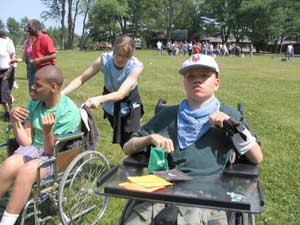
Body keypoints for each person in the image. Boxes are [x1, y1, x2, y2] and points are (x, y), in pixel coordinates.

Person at [123, 54, 263, 225]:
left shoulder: (228, 114)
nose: (197, 80)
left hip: (206, 194)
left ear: (216, 83)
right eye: (191, 76)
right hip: (165, 188)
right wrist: (150, 138)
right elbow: (128, 147)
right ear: (184, 82)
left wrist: (232, 128)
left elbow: (257, 157)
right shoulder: (167, 115)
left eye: (204, 76)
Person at [0, 65, 81, 225]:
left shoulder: (69, 112)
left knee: (28, 171)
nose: (32, 87)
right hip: (33, 148)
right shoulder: (36, 103)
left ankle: (7, 222)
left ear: (53, 87)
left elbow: (51, 152)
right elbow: (26, 141)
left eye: (38, 84)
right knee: (10, 163)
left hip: (55, 155)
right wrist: (15, 120)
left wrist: (47, 131)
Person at [62, 35, 144, 147]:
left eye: (125, 56)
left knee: (133, 141)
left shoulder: (135, 67)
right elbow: (81, 79)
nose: (120, 59)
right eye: (118, 54)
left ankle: (143, 160)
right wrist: (61, 94)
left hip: (130, 106)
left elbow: (121, 93)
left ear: (131, 55)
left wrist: (98, 99)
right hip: (111, 105)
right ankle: (132, 161)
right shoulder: (105, 59)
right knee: (124, 142)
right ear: (114, 50)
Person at [0, 29, 16, 121]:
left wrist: (9, 70)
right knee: (0, 93)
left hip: (7, 70)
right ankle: (6, 112)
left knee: (4, 91)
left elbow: (12, 55)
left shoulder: (6, 43)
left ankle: (11, 111)